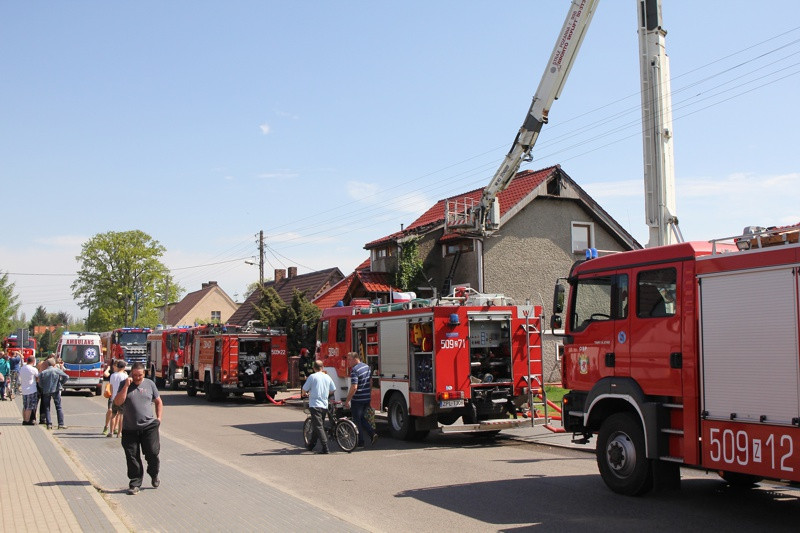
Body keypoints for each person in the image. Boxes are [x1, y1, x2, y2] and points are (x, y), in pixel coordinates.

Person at [114, 362, 163, 495]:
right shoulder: (124, 384)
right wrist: (126, 386)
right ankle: (135, 483)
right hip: (130, 428)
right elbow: (118, 402)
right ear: (131, 373)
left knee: (152, 453)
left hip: (149, 427)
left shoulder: (150, 384)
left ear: (144, 373)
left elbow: (158, 401)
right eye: (134, 375)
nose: (137, 378)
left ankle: (154, 474)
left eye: (139, 375)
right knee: (132, 456)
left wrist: (159, 418)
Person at [301, 360, 335, 454]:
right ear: (322, 367)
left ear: (314, 368)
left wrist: (305, 394)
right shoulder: (327, 376)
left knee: (319, 426)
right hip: (324, 405)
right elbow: (333, 389)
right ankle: (311, 445)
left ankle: (325, 447)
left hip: (315, 405)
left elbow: (304, 389)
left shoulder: (312, 377)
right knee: (317, 425)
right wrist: (325, 394)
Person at [344, 352, 377, 448]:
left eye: (349, 359)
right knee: (362, 418)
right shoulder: (367, 367)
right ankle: (372, 434)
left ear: (355, 359)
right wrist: (368, 393)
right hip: (366, 398)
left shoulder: (354, 370)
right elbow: (371, 381)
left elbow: (354, 387)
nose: (348, 362)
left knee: (357, 420)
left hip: (358, 399)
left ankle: (361, 442)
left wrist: (347, 400)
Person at [39, 358, 69, 430]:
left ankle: (49, 424)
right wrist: (61, 383)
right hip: (56, 389)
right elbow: (66, 376)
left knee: (47, 408)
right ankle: (60, 424)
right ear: (54, 364)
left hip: (46, 390)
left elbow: (40, 383)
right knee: (58, 407)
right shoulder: (56, 370)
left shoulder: (43, 372)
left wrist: (43, 387)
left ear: (47, 364)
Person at [107, 360, 128, 437]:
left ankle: (111, 432)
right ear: (124, 367)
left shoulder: (113, 375)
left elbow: (111, 386)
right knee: (121, 415)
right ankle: (119, 433)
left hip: (114, 397)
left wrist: (112, 396)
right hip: (122, 398)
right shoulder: (125, 376)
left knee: (113, 414)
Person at [19, 356, 40, 425]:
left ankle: (24, 419)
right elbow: (38, 378)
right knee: (30, 406)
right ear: (33, 361)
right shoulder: (33, 369)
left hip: (24, 389)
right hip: (31, 389)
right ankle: (27, 420)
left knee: (25, 406)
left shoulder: (22, 368)